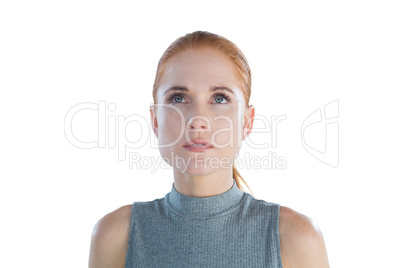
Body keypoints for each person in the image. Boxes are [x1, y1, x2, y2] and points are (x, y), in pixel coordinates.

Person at [88, 30, 330, 268]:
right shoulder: (115, 236)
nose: (198, 119)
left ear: (247, 121)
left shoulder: (295, 239)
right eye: (178, 98)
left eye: (220, 98)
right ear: (155, 120)